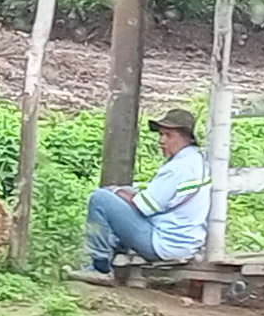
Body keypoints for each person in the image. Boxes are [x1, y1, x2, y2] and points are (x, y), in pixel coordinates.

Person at [87, 108, 213, 276]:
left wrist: (116, 191)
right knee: (126, 193)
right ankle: (116, 252)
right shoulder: (196, 159)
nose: (162, 141)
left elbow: (143, 206)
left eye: (168, 135)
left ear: (185, 137)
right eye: (161, 134)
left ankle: (99, 265)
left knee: (100, 198)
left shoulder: (177, 168)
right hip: (186, 241)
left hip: (163, 244)